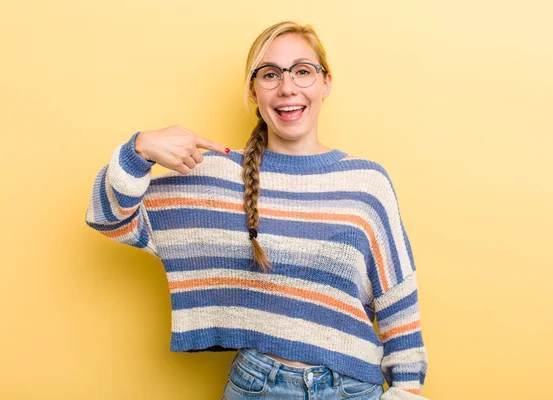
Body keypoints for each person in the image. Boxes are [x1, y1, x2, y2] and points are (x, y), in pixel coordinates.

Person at [85, 21, 428, 399]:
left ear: (325, 83)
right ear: (253, 90)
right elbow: (110, 217)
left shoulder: (367, 183)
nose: (287, 87)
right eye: (270, 74)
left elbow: (399, 302)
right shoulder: (216, 178)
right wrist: (139, 149)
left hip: (353, 389)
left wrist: (406, 391)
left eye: (302, 71)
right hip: (258, 387)